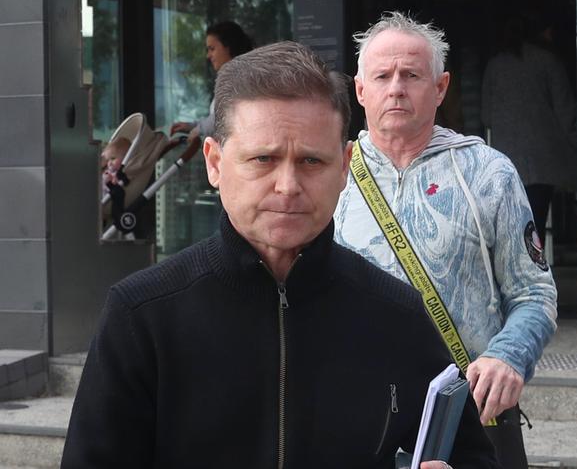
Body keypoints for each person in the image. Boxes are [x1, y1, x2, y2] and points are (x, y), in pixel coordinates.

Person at [61, 41, 498, 469]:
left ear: (345, 166)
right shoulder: (142, 317)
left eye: (311, 161)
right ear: (214, 163)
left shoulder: (396, 313)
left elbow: (471, 457)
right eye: (263, 159)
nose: (287, 185)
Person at [334, 12, 558, 469]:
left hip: (473, 417)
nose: (396, 87)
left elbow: (534, 293)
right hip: (358, 419)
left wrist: (508, 357)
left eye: (411, 75)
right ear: (361, 90)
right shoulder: (329, 175)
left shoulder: (488, 173)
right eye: (382, 75)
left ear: (440, 88)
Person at [481, 13, 576, 244]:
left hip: (507, 158)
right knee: (538, 222)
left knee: (512, 225)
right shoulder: (548, 61)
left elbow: (486, 116)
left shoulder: (494, 66)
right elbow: (566, 111)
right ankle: (538, 267)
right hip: (544, 156)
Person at [170, 20, 253, 143]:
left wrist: (198, 130)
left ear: (229, 46)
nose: (208, 56)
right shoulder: (231, 77)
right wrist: (193, 126)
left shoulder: (243, 78)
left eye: (212, 49)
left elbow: (225, 115)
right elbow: (216, 117)